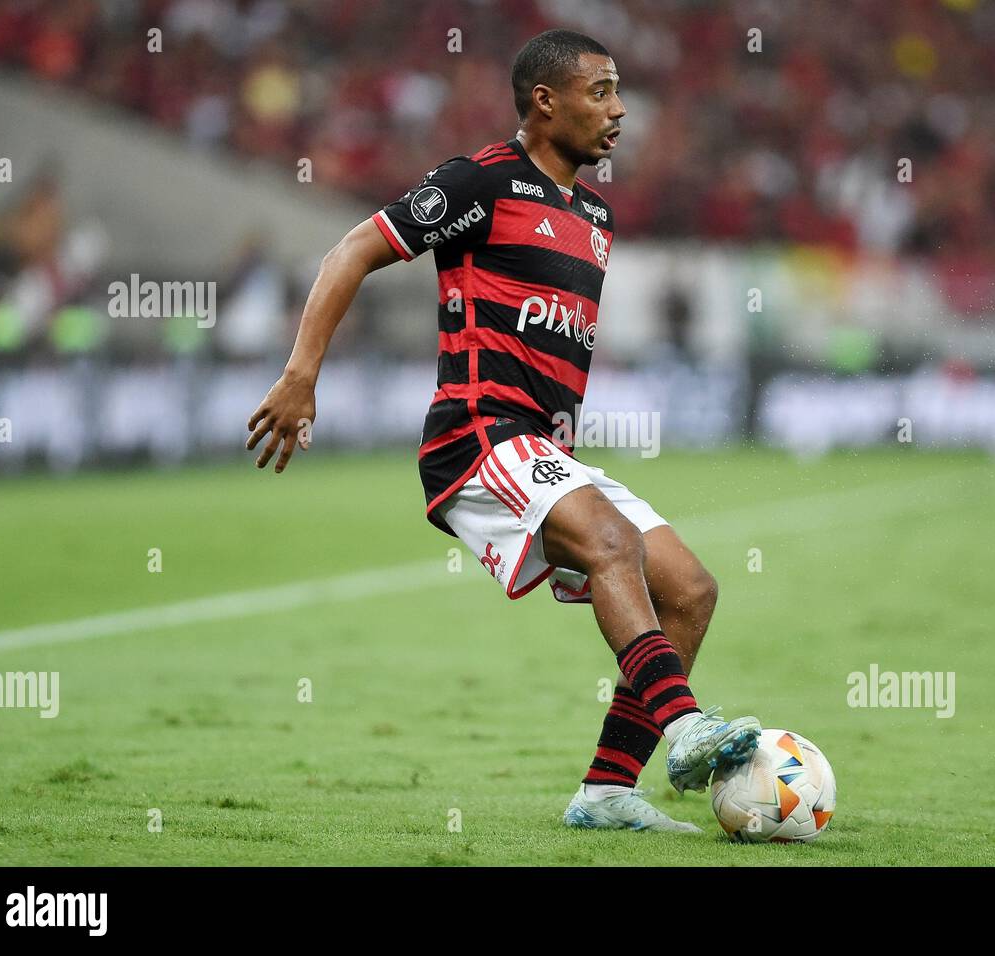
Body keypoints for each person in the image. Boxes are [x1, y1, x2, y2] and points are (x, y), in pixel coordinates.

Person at [246, 29, 760, 834]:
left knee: (692, 590)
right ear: (545, 102)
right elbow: (349, 251)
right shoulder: (476, 182)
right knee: (613, 544)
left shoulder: (594, 212)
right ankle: (685, 725)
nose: (619, 109)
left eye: (620, 91)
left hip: (546, 449)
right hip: (479, 433)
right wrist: (301, 376)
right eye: (601, 91)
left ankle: (606, 791)